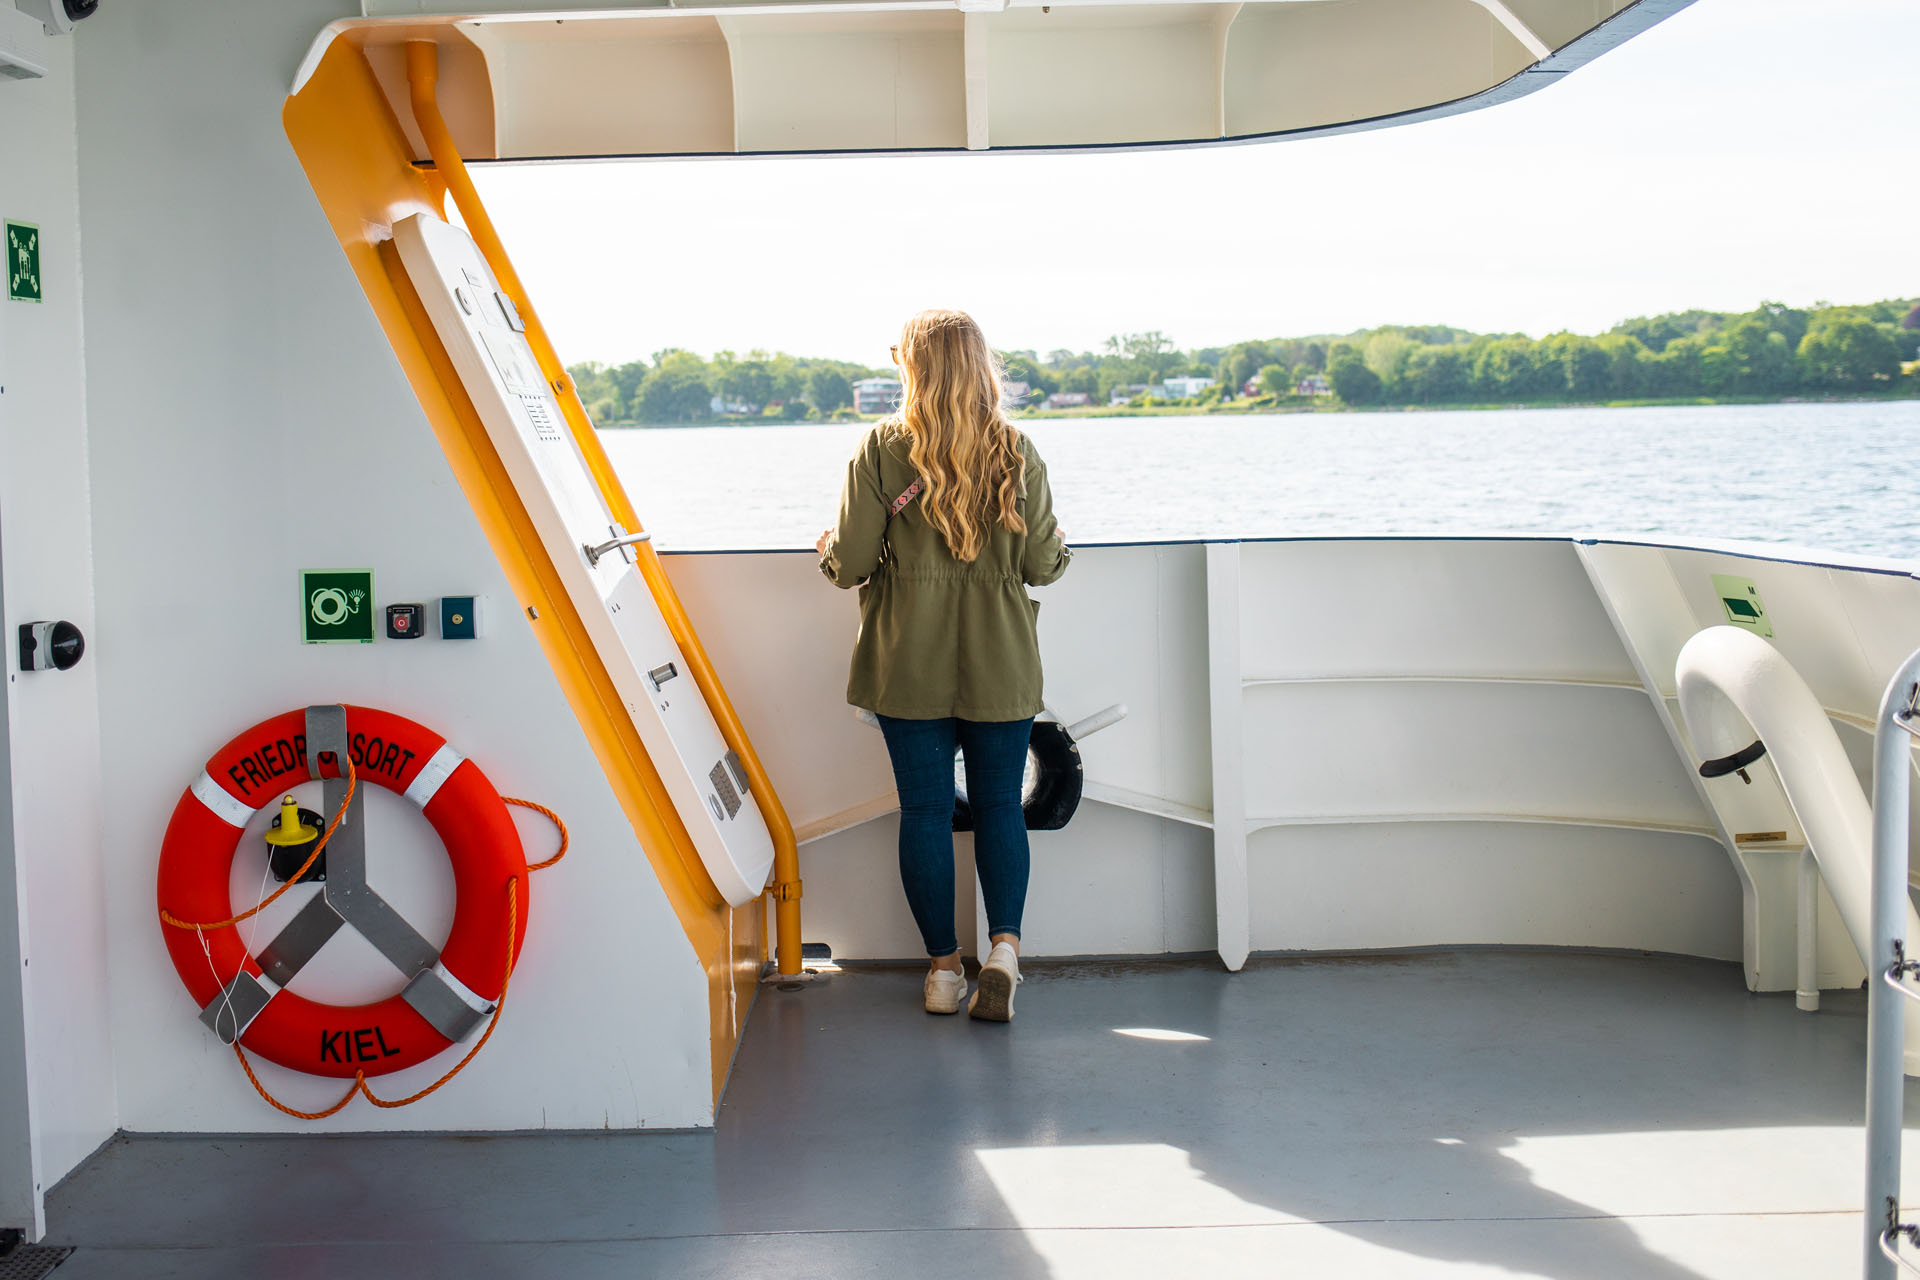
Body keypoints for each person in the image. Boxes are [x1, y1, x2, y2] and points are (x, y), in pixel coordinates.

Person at [816, 309, 1072, 1022]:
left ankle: (940, 972)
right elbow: (1043, 566)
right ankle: (1004, 953)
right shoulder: (1017, 451)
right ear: (982, 367)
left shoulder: (880, 449)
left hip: (909, 661)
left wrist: (828, 549)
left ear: (913, 369)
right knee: (1000, 809)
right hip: (1001, 658)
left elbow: (852, 565)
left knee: (925, 812)